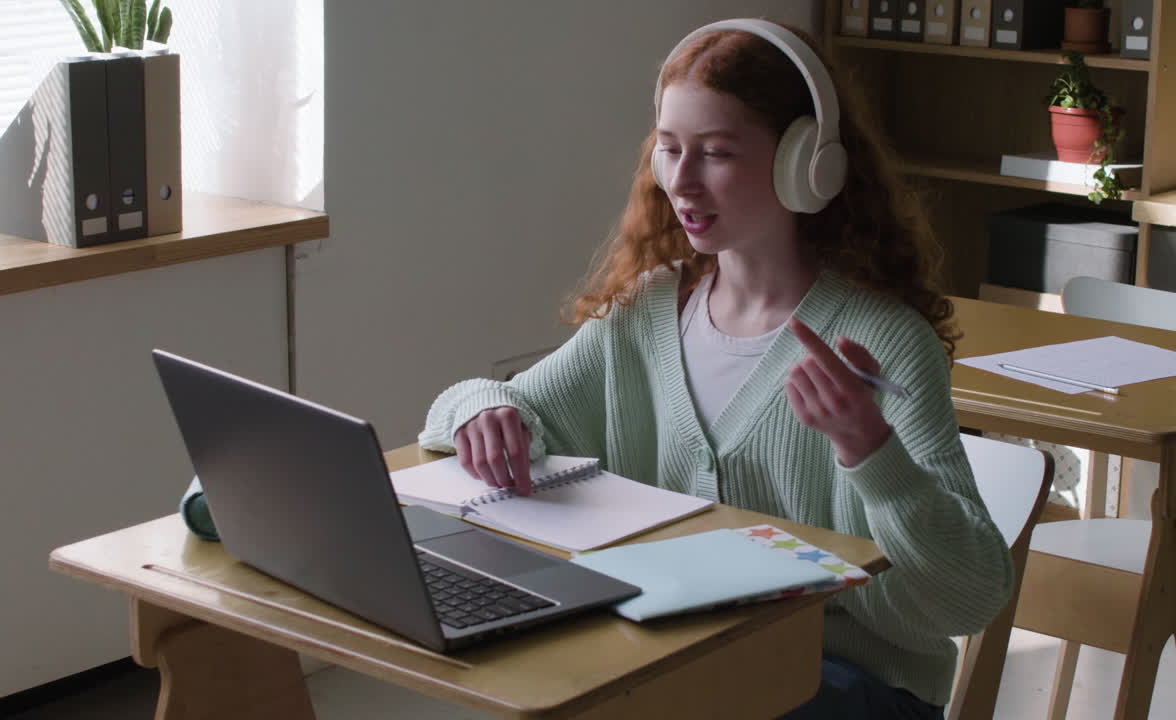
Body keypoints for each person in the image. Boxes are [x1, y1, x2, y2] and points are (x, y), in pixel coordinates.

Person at [414, 18, 1012, 720]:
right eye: (669, 149)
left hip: (845, 682)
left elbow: (969, 598)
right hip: (682, 661)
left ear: (806, 163)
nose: (681, 181)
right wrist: (483, 412)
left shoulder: (885, 342)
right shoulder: (647, 310)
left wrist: (870, 451)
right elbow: (490, 407)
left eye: (717, 153)